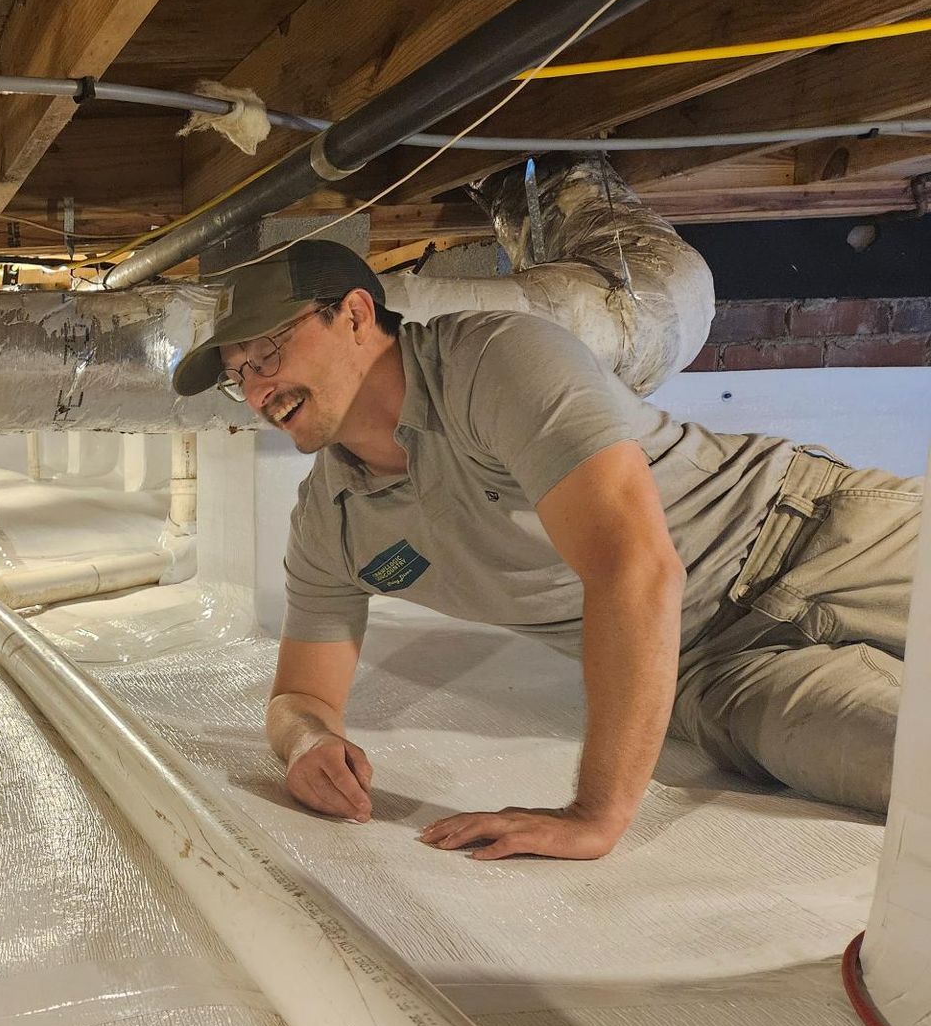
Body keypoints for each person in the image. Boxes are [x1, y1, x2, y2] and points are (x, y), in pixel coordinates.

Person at [172, 240, 919, 860]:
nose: (258, 388)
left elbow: (634, 566)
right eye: (239, 377)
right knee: (908, 771)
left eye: (267, 352)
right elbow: (299, 698)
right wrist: (307, 746)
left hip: (814, 534)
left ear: (357, 315)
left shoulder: (492, 362)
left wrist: (594, 814)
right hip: (719, 675)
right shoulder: (331, 522)